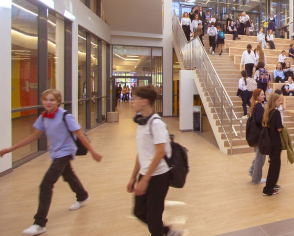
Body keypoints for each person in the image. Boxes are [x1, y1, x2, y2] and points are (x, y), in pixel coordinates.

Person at [0, 89, 102, 236]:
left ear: (58, 102)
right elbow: (34, 136)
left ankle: (39, 223)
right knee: (68, 175)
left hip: (65, 152)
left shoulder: (65, 116)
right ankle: (82, 195)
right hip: (55, 152)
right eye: (45, 99)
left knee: (46, 184)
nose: (48, 102)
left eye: (52, 100)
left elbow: (79, 134)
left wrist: (93, 152)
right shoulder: (43, 117)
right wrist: (12, 148)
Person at [127, 86, 183, 236]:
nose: (132, 101)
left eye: (135, 98)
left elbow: (160, 152)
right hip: (145, 174)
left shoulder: (156, 124)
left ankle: (162, 231)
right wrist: (134, 176)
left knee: (153, 217)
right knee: (139, 211)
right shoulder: (142, 122)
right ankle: (167, 231)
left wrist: (145, 180)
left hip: (158, 176)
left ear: (144, 101)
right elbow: (141, 153)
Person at [262, 93, 284, 196]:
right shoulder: (276, 113)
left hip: (271, 142)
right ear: (274, 101)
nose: (280, 102)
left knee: (273, 165)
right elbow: (279, 128)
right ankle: (268, 189)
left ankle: (272, 185)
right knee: (275, 166)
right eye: (279, 101)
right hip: (275, 142)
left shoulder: (268, 112)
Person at [248, 89, 267, 185]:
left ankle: (252, 171)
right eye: (262, 95)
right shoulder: (259, 106)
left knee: (258, 155)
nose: (264, 96)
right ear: (257, 96)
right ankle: (256, 178)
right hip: (259, 135)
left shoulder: (256, 105)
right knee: (261, 157)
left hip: (256, 134)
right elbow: (260, 120)